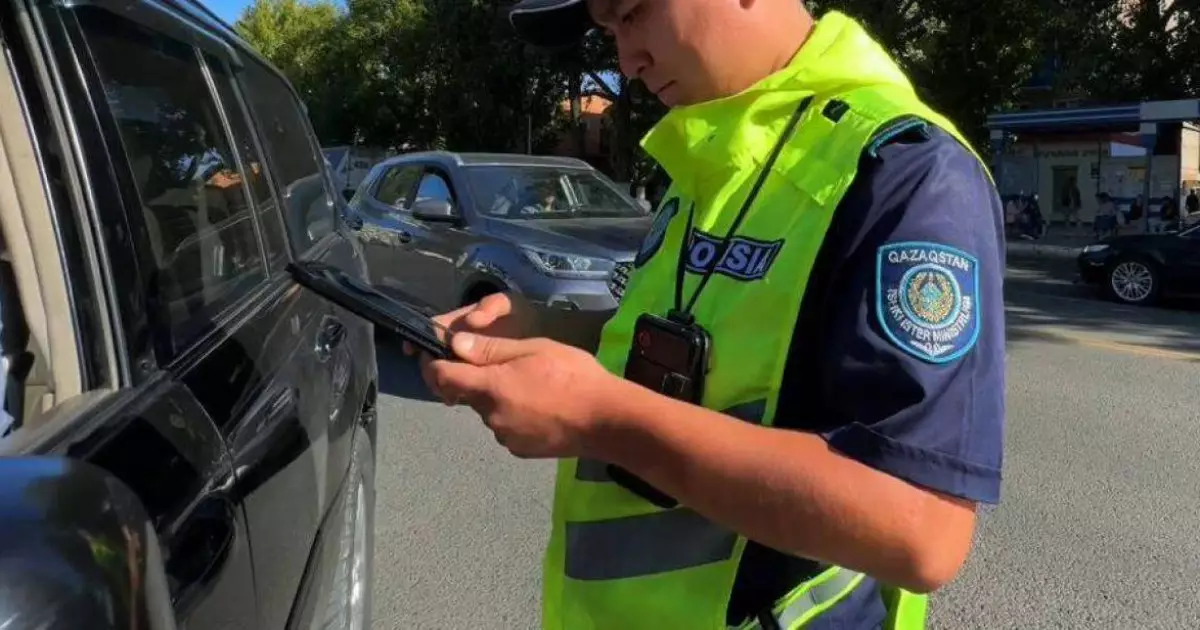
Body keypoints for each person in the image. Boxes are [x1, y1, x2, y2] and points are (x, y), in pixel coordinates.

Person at [407, 1, 1005, 629]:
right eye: (609, 32)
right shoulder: (711, 152)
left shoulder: (906, 169)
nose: (625, 61)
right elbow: (709, 344)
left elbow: (921, 530)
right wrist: (543, 333)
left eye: (632, 13)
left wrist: (600, 418)